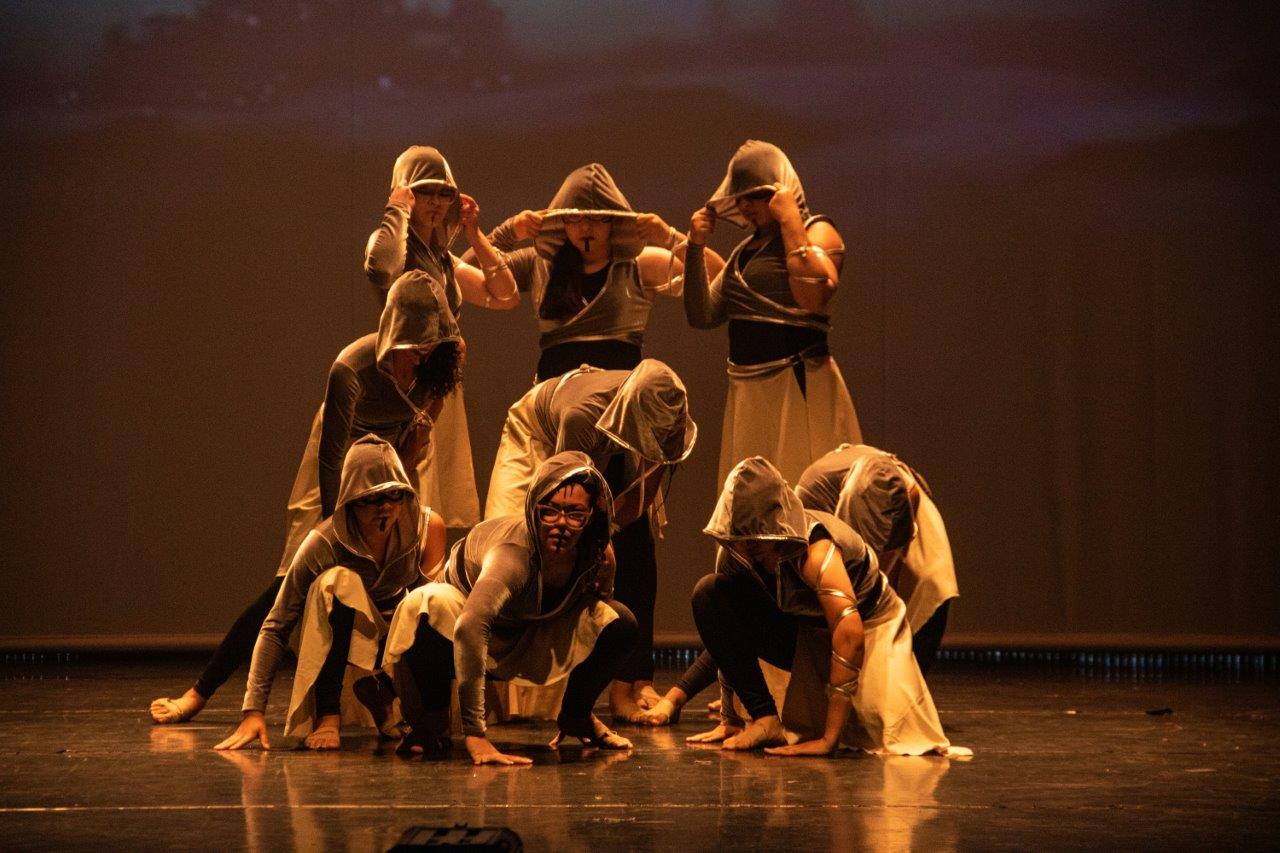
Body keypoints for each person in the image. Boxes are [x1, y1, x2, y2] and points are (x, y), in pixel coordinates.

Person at [149, 271, 462, 725]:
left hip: (390, 465)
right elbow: (332, 457)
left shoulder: (434, 369)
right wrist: (341, 529)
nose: (422, 353)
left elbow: (421, 420)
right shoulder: (351, 369)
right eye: (416, 343)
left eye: (432, 344)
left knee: (398, 583)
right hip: (335, 471)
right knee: (290, 585)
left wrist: (407, 462)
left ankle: (385, 692)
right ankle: (201, 690)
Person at [638, 443, 959, 726]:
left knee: (926, 593)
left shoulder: (814, 543)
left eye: (753, 545)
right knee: (717, 592)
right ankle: (769, 718)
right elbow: (731, 626)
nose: (747, 550)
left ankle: (894, 694)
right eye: (743, 544)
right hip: (823, 611)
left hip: (890, 543)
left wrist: (829, 738)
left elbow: (852, 626)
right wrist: (698, 702)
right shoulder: (759, 543)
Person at [381, 451, 637, 763]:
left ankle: (576, 716)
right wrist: (476, 735)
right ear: (534, 509)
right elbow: (471, 626)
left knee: (618, 621)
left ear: (591, 516)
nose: (561, 524)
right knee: (425, 604)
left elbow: (599, 604)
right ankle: (430, 720)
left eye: (575, 514)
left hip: (532, 628)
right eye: (550, 512)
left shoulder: (596, 553)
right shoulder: (513, 556)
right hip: (467, 630)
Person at [483, 359, 696, 720]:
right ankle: (499, 696)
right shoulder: (582, 419)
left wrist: (604, 541)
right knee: (523, 545)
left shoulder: (666, 416)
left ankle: (582, 699)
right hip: (534, 433)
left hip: (604, 434)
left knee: (610, 551)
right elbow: (564, 498)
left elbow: (640, 501)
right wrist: (596, 543)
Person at [213, 434, 447, 751]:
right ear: (351, 499)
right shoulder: (325, 542)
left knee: (432, 601)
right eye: (372, 497)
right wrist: (254, 710)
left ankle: (391, 696)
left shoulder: (425, 526)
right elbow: (276, 625)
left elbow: (428, 614)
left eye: (394, 494)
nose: (386, 507)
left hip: (395, 634)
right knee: (337, 582)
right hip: (336, 633)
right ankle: (328, 714)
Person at [355, 145, 518, 530]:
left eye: (443, 193)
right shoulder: (392, 246)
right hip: (404, 379)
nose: (434, 201)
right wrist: (397, 209)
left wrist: (475, 234)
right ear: (406, 192)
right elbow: (382, 270)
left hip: (441, 382)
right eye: (424, 191)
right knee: (401, 485)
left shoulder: (442, 260)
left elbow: (505, 296)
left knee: (432, 500)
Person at [682, 140, 861, 485]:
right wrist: (694, 246)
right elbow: (702, 314)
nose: (746, 206)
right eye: (741, 198)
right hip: (749, 394)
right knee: (752, 496)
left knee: (804, 487)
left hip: (797, 385)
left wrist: (791, 220)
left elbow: (813, 295)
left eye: (757, 195)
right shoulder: (742, 253)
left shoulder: (816, 230)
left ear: (781, 190)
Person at [474, 162, 725, 382]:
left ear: (614, 220)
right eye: (575, 218)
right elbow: (463, 275)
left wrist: (671, 238)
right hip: (554, 400)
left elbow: (720, 280)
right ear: (561, 222)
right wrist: (507, 232)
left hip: (620, 402)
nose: (585, 227)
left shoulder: (638, 264)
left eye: (597, 218)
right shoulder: (539, 263)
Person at [796, 443, 958, 674]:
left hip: (898, 507)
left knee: (929, 587)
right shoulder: (811, 517)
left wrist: (891, 571)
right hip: (866, 518)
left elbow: (909, 492)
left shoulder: (879, 491)